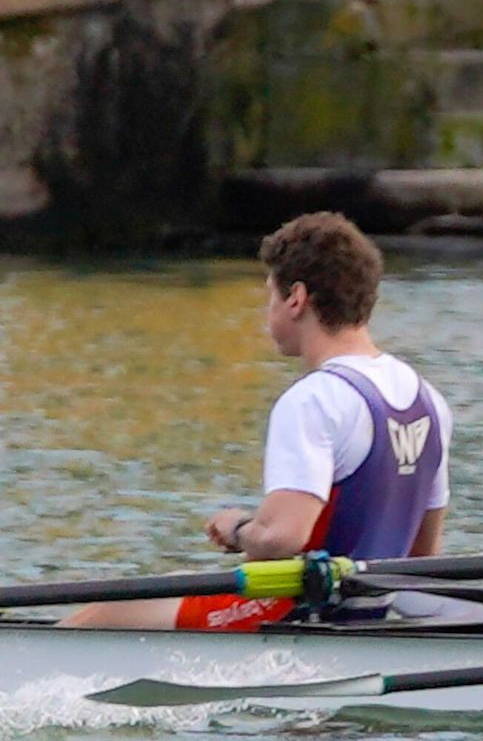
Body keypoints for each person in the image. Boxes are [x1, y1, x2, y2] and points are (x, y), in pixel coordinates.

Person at [62, 212, 452, 630]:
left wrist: (237, 528)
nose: (267, 312)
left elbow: (281, 538)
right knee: (169, 587)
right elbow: (422, 552)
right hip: (371, 611)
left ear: (297, 298)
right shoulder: (429, 399)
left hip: (297, 610)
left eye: (270, 296)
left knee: (104, 612)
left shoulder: (314, 399)